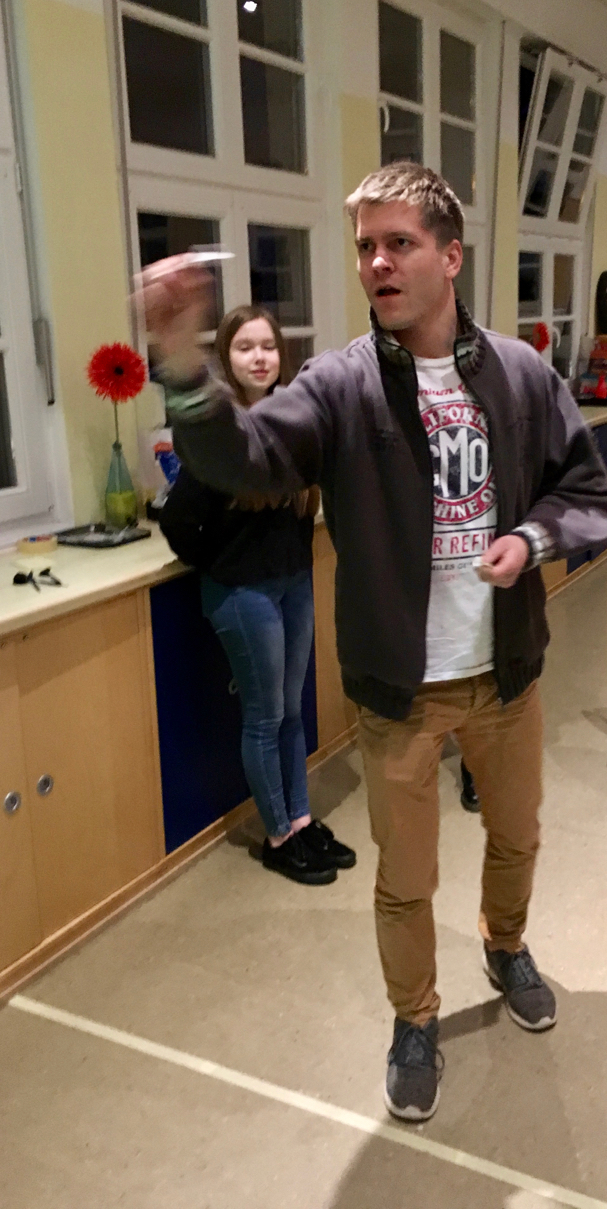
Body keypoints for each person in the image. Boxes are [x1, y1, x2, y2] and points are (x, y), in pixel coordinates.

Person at [136, 162, 607, 1123]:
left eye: (400, 243)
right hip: (400, 686)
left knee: (516, 836)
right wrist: (184, 369)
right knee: (404, 878)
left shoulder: (520, 375)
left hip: (507, 674)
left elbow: (587, 492)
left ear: (451, 256)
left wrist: (531, 539)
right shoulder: (340, 385)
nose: (378, 264)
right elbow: (244, 458)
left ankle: (506, 947)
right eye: (365, 247)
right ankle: (415, 1018)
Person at [158, 303, 356, 887]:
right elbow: (178, 522)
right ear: (226, 357)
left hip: (292, 583)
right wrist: (221, 561)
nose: (259, 357)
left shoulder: (294, 426)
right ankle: (278, 838)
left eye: (267, 346)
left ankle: (300, 819)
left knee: (293, 710)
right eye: (244, 347)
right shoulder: (218, 440)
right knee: (265, 718)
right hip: (243, 594)